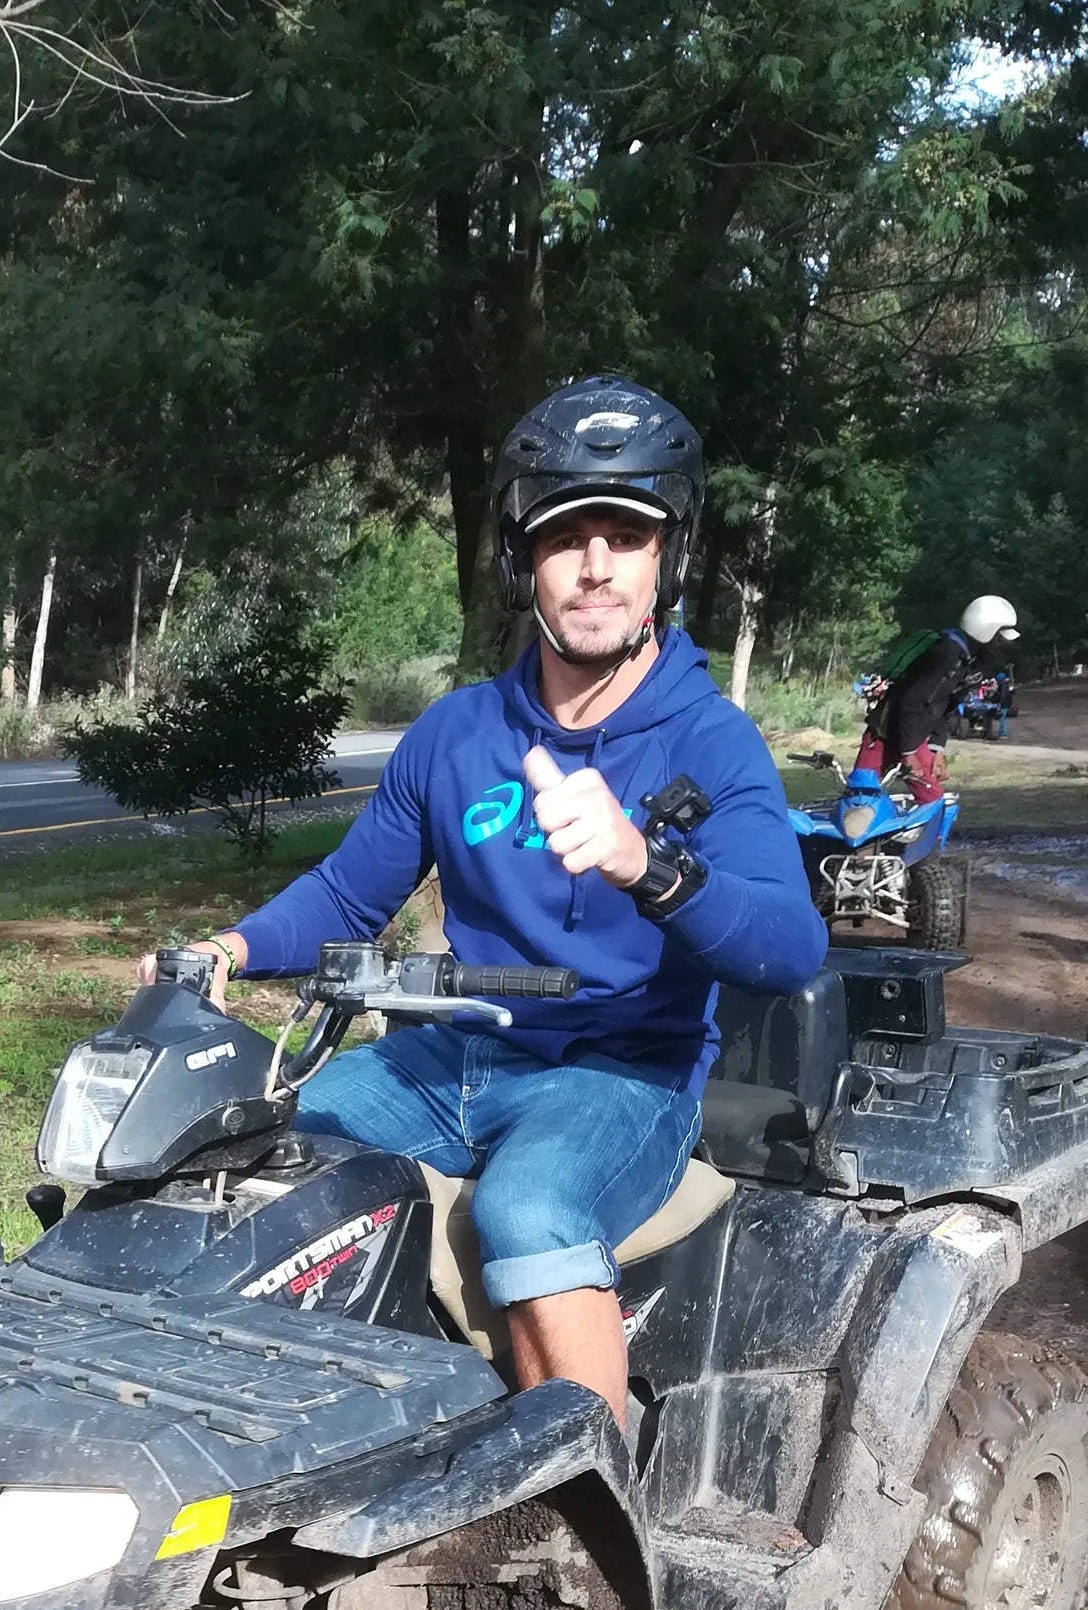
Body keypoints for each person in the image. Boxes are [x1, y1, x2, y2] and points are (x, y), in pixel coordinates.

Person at [144, 373, 825, 1430]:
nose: (595, 567)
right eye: (565, 537)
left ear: (667, 557)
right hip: (442, 1059)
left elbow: (786, 947)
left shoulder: (710, 740)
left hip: (619, 1076)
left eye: (626, 535)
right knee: (234, 1144)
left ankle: (580, 1499)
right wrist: (230, 947)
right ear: (522, 558)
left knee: (528, 1201)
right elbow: (344, 890)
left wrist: (645, 863)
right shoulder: (456, 733)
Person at [855, 596, 1019, 801]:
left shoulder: (968, 661)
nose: (998, 645)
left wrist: (937, 749)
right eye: (997, 638)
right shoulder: (947, 653)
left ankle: (926, 834)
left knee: (933, 801)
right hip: (885, 735)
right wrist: (908, 753)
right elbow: (912, 703)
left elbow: (948, 707)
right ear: (984, 630)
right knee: (859, 797)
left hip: (913, 739)